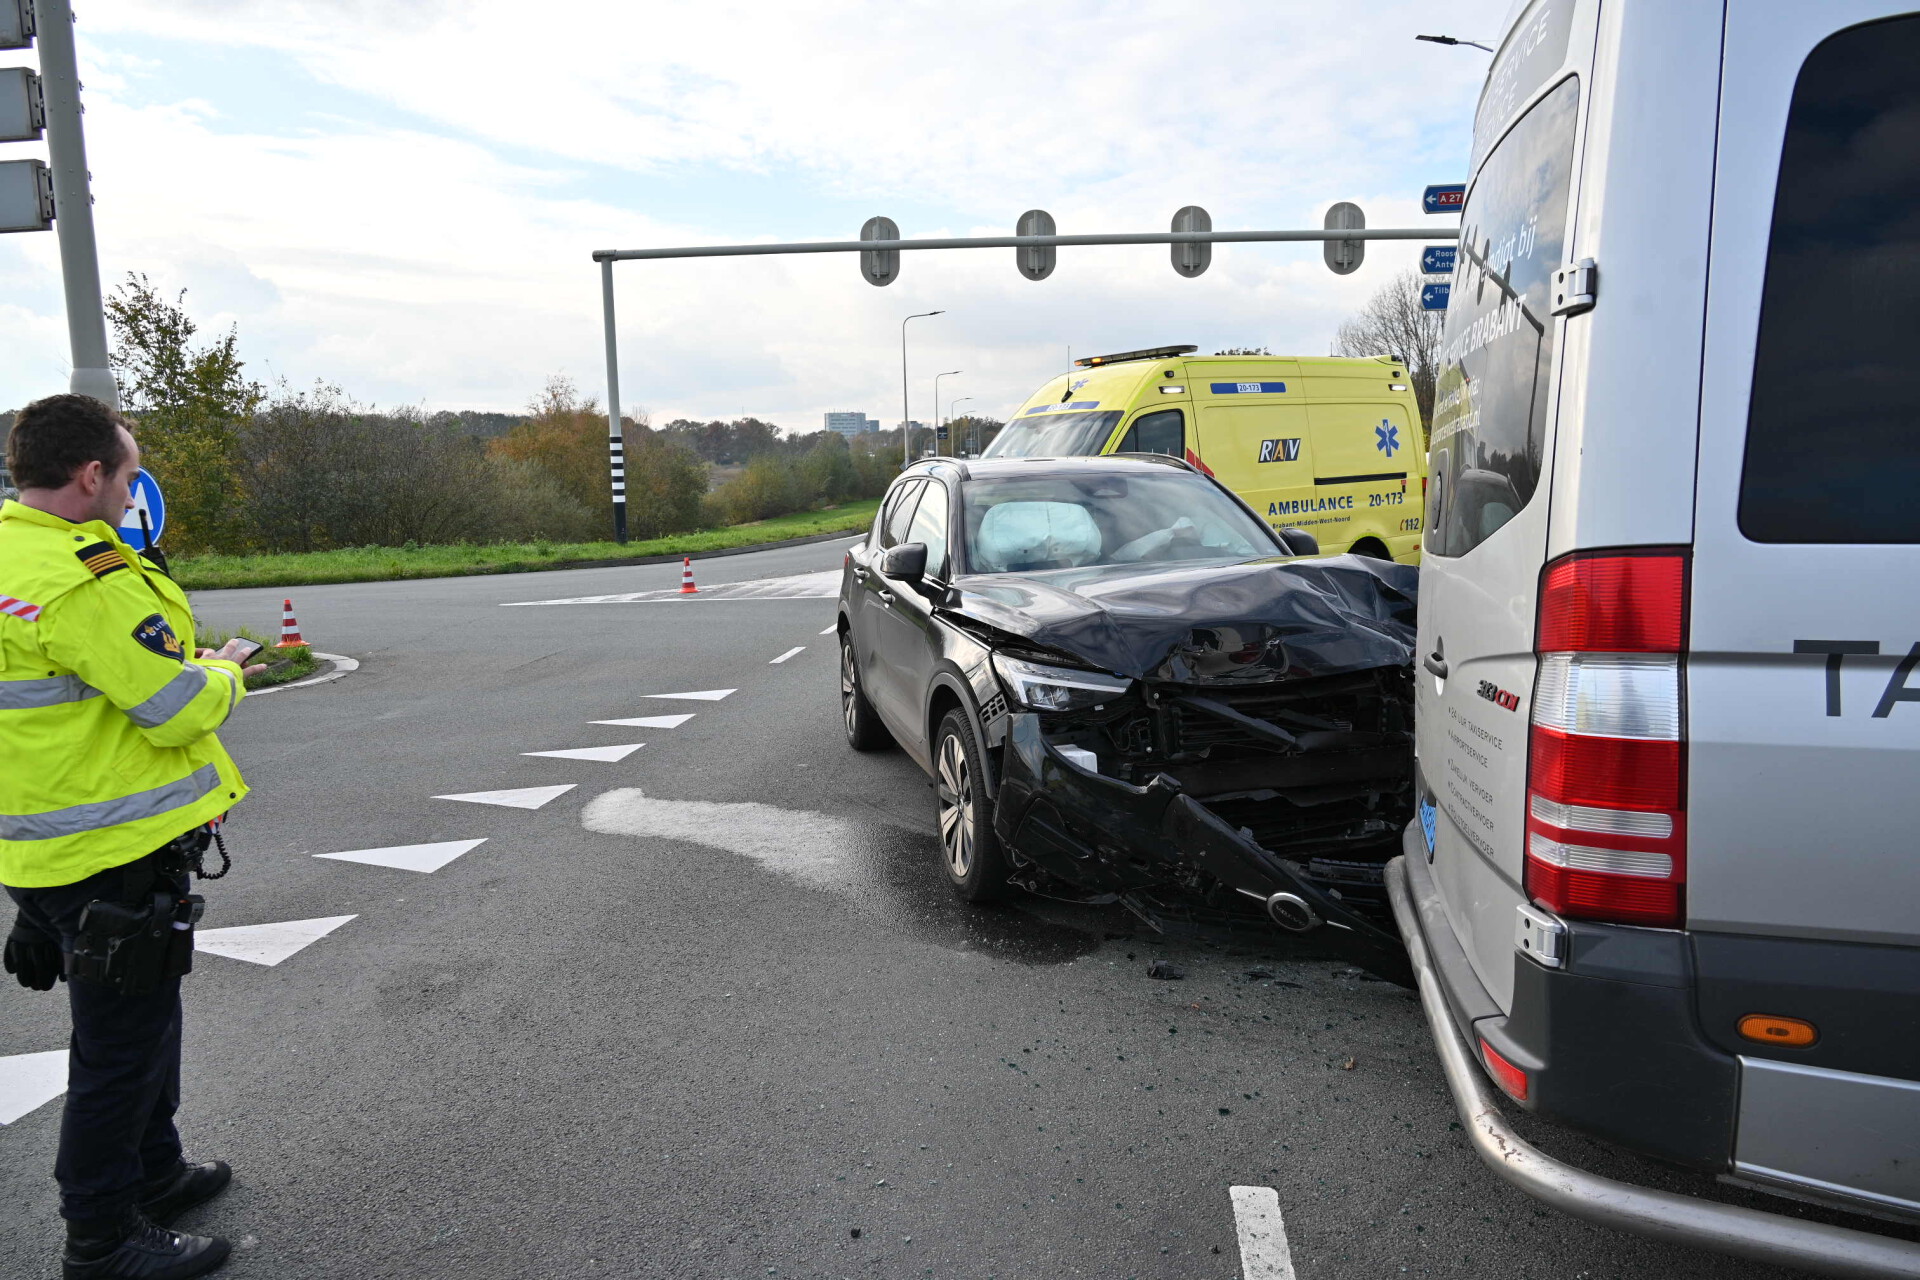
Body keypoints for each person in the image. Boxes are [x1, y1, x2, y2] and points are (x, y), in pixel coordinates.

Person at [1, 394, 264, 1280]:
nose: (131, 486)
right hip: (111, 853)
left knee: (139, 1027)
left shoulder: (8, 554)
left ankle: (156, 1170)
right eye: (129, 469)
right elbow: (170, 705)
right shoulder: (85, 580)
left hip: (39, 851)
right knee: (119, 1046)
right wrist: (222, 672)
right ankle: (103, 1236)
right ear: (91, 476)